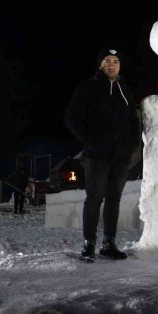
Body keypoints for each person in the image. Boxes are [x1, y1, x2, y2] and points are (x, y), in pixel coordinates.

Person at [65, 48, 140, 262]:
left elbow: (133, 120)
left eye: (115, 61)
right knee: (94, 199)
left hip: (120, 157)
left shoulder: (124, 89)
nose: (112, 64)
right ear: (100, 65)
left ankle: (109, 244)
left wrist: (132, 144)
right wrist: (91, 141)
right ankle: (89, 245)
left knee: (114, 199)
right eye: (107, 61)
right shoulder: (88, 87)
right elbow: (71, 118)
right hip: (97, 155)